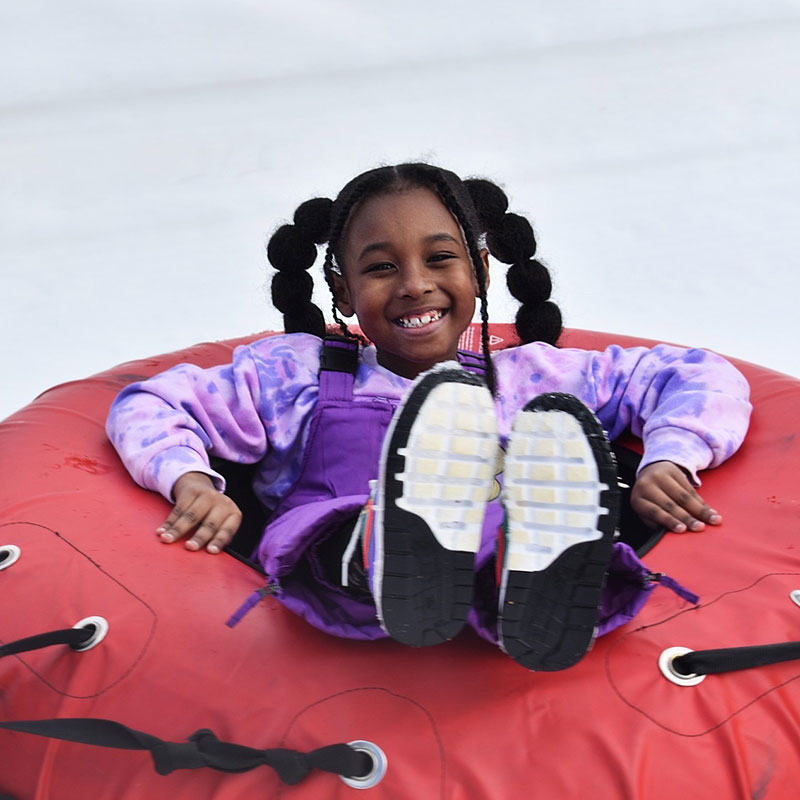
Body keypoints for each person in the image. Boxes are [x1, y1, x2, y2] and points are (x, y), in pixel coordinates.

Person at [106, 163, 751, 671]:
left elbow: (697, 375)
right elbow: (155, 403)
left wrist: (671, 456)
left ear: (479, 271)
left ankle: (533, 576)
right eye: (382, 268)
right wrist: (191, 480)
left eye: (440, 259)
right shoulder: (296, 373)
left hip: (492, 583)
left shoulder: (530, 378)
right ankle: (393, 551)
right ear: (342, 292)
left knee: (506, 512)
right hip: (340, 569)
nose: (415, 284)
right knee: (330, 524)